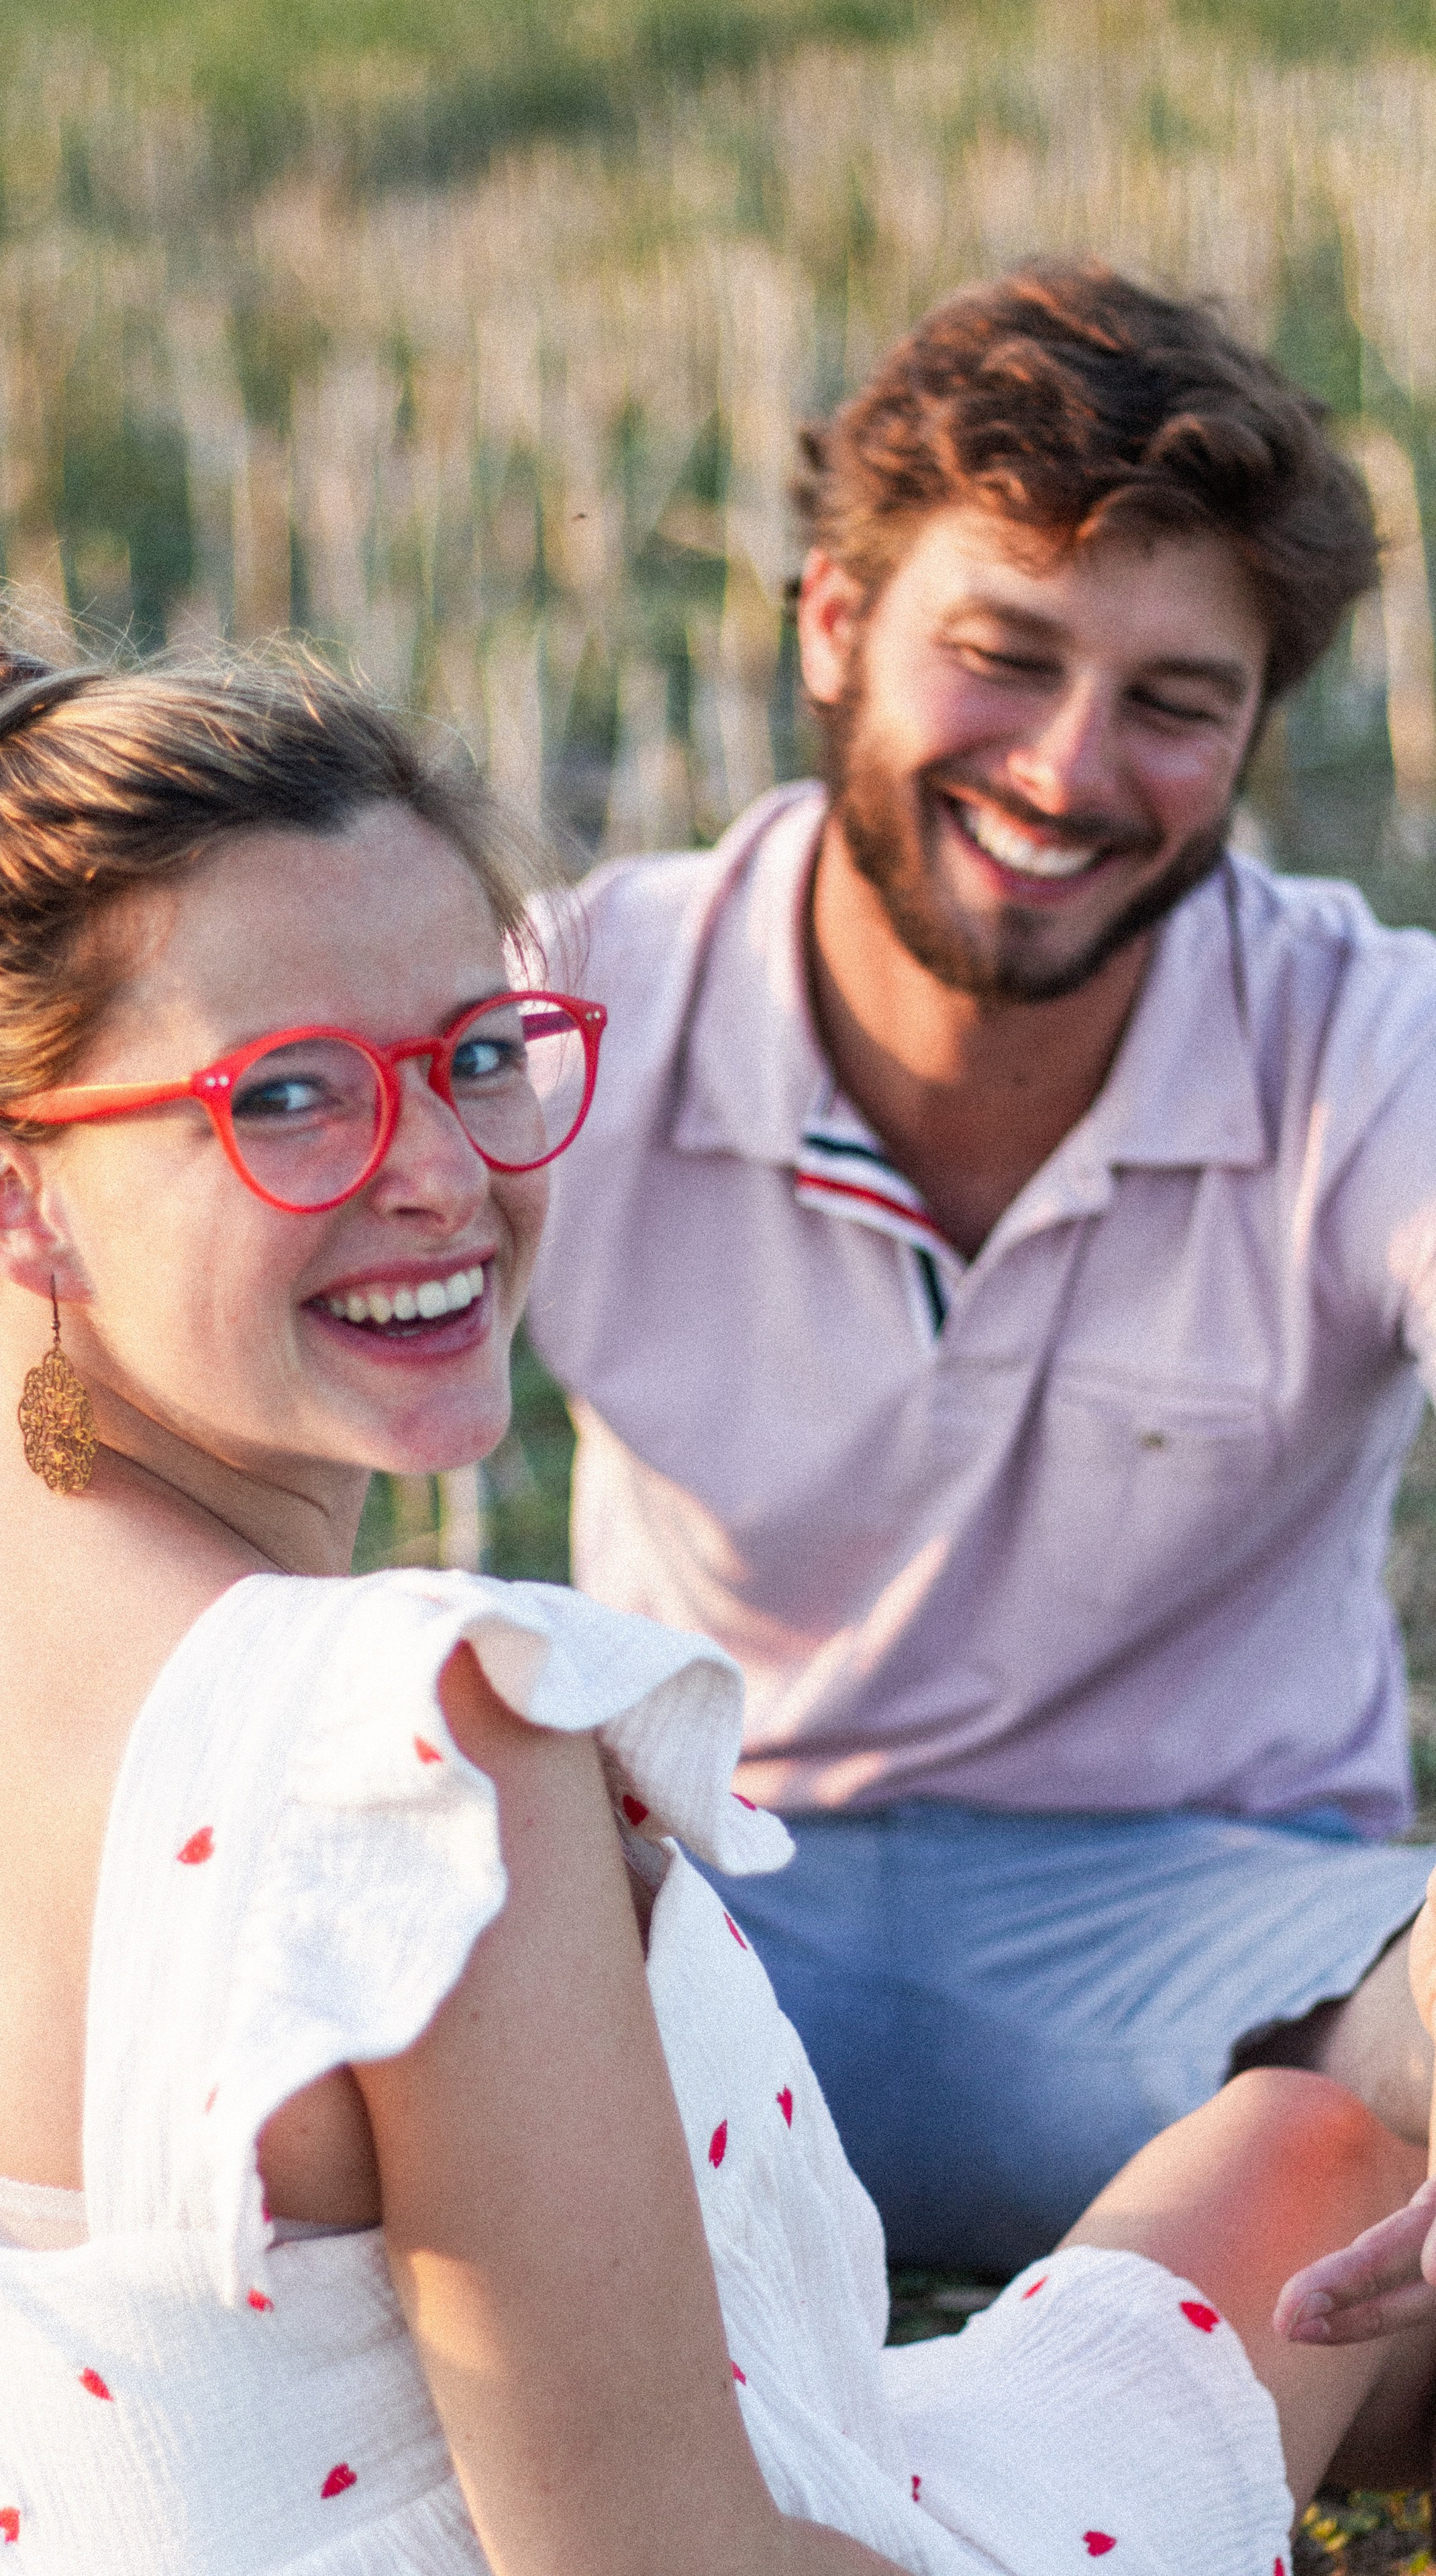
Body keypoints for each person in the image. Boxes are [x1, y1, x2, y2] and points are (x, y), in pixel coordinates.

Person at [0, 561, 1428, 2572]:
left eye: (475, 1055)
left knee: (1296, 2153)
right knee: (1323, 2160)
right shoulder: (408, 1760)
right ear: (3, 1190)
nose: (439, 1171)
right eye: (285, 1096)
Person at [527, 261, 1436, 2277]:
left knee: (1381, 2162)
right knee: (270, 2088)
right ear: (835, 625)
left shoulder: (1371, 1048)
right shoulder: (581, 999)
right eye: (1003, 656)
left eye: (1175, 703)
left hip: (1226, 1951)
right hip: (688, 1898)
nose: (1065, 769)